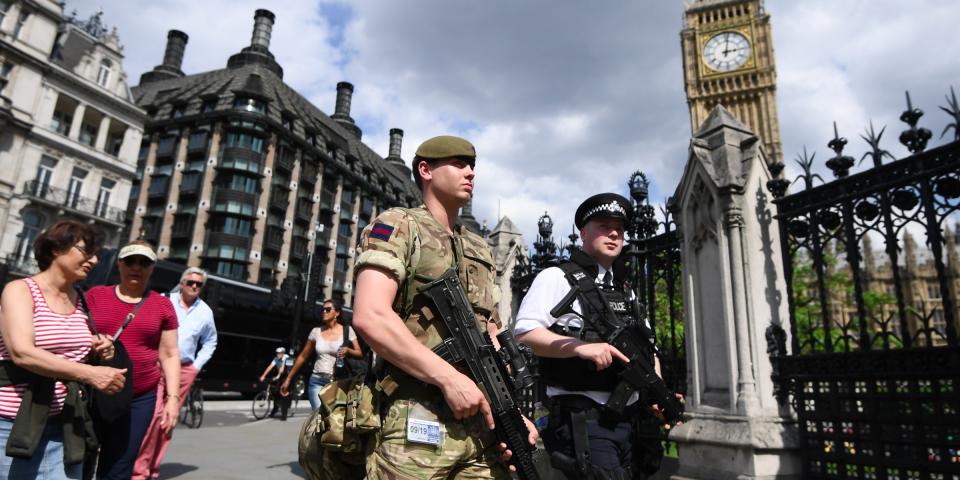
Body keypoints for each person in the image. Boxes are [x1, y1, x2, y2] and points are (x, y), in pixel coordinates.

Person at [352, 135, 536, 479]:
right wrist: (448, 378)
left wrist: (512, 413)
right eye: (458, 163)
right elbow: (370, 315)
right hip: (415, 423)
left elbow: (491, 336)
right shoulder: (399, 225)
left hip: (482, 429)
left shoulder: (480, 248)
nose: (470, 173)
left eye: (472, 166)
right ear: (426, 170)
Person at [514, 193, 666, 479]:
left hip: (631, 422)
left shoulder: (625, 290)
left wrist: (657, 388)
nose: (613, 234)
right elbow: (525, 331)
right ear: (583, 233)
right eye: (604, 226)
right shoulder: (556, 277)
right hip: (585, 420)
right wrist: (579, 347)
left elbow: (648, 347)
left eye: (619, 229)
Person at [0, 220, 123, 479]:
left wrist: (99, 348)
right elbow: (22, 352)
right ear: (56, 249)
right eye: (86, 251)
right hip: (11, 425)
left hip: (65, 423)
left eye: (97, 254)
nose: (95, 260)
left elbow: (69, 348)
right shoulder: (20, 290)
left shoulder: (80, 298)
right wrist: (89, 374)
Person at [85, 240, 179, 479]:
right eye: (130, 261)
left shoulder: (163, 305)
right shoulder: (95, 296)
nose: (136, 267)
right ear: (119, 265)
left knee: (119, 467)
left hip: (138, 399)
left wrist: (173, 399)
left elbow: (169, 354)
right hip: (93, 393)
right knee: (81, 459)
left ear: (152, 268)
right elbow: (76, 339)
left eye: (144, 262)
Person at [133, 267, 217, 479]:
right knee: (153, 416)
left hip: (184, 369)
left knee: (168, 420)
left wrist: (196, 366)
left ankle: (152, 468)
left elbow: (211, 342)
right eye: (191, 282)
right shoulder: (163, 301)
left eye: (199, 284)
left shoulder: (205, 312)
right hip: (157, 366)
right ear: (182, 283)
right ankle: (138, 470)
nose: (195, 287)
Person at [280, 299, 362, 410]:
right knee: (318, 415)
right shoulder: (316, 331)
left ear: (337, 313)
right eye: (322, 309)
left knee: (333, 418)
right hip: (316, 380)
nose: (324, 312)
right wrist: (288, 379)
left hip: (337, 381)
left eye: (328, 309)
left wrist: (348, 351)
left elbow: (359, 353)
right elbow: (303, 356)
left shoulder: (347, 330)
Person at [259, 347, 290, 419]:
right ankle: (275, 409)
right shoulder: (276, 359)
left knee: (283, 393)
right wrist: (263, 376)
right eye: (277, 353)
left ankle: (284, 414)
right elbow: (270, 367)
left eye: (279, 353)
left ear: (283, 353)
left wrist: (278, 376)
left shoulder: (287, 358)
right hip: (280, 376)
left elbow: (282, 368)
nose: (278, 354)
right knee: (275, 392)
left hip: (288, 376)